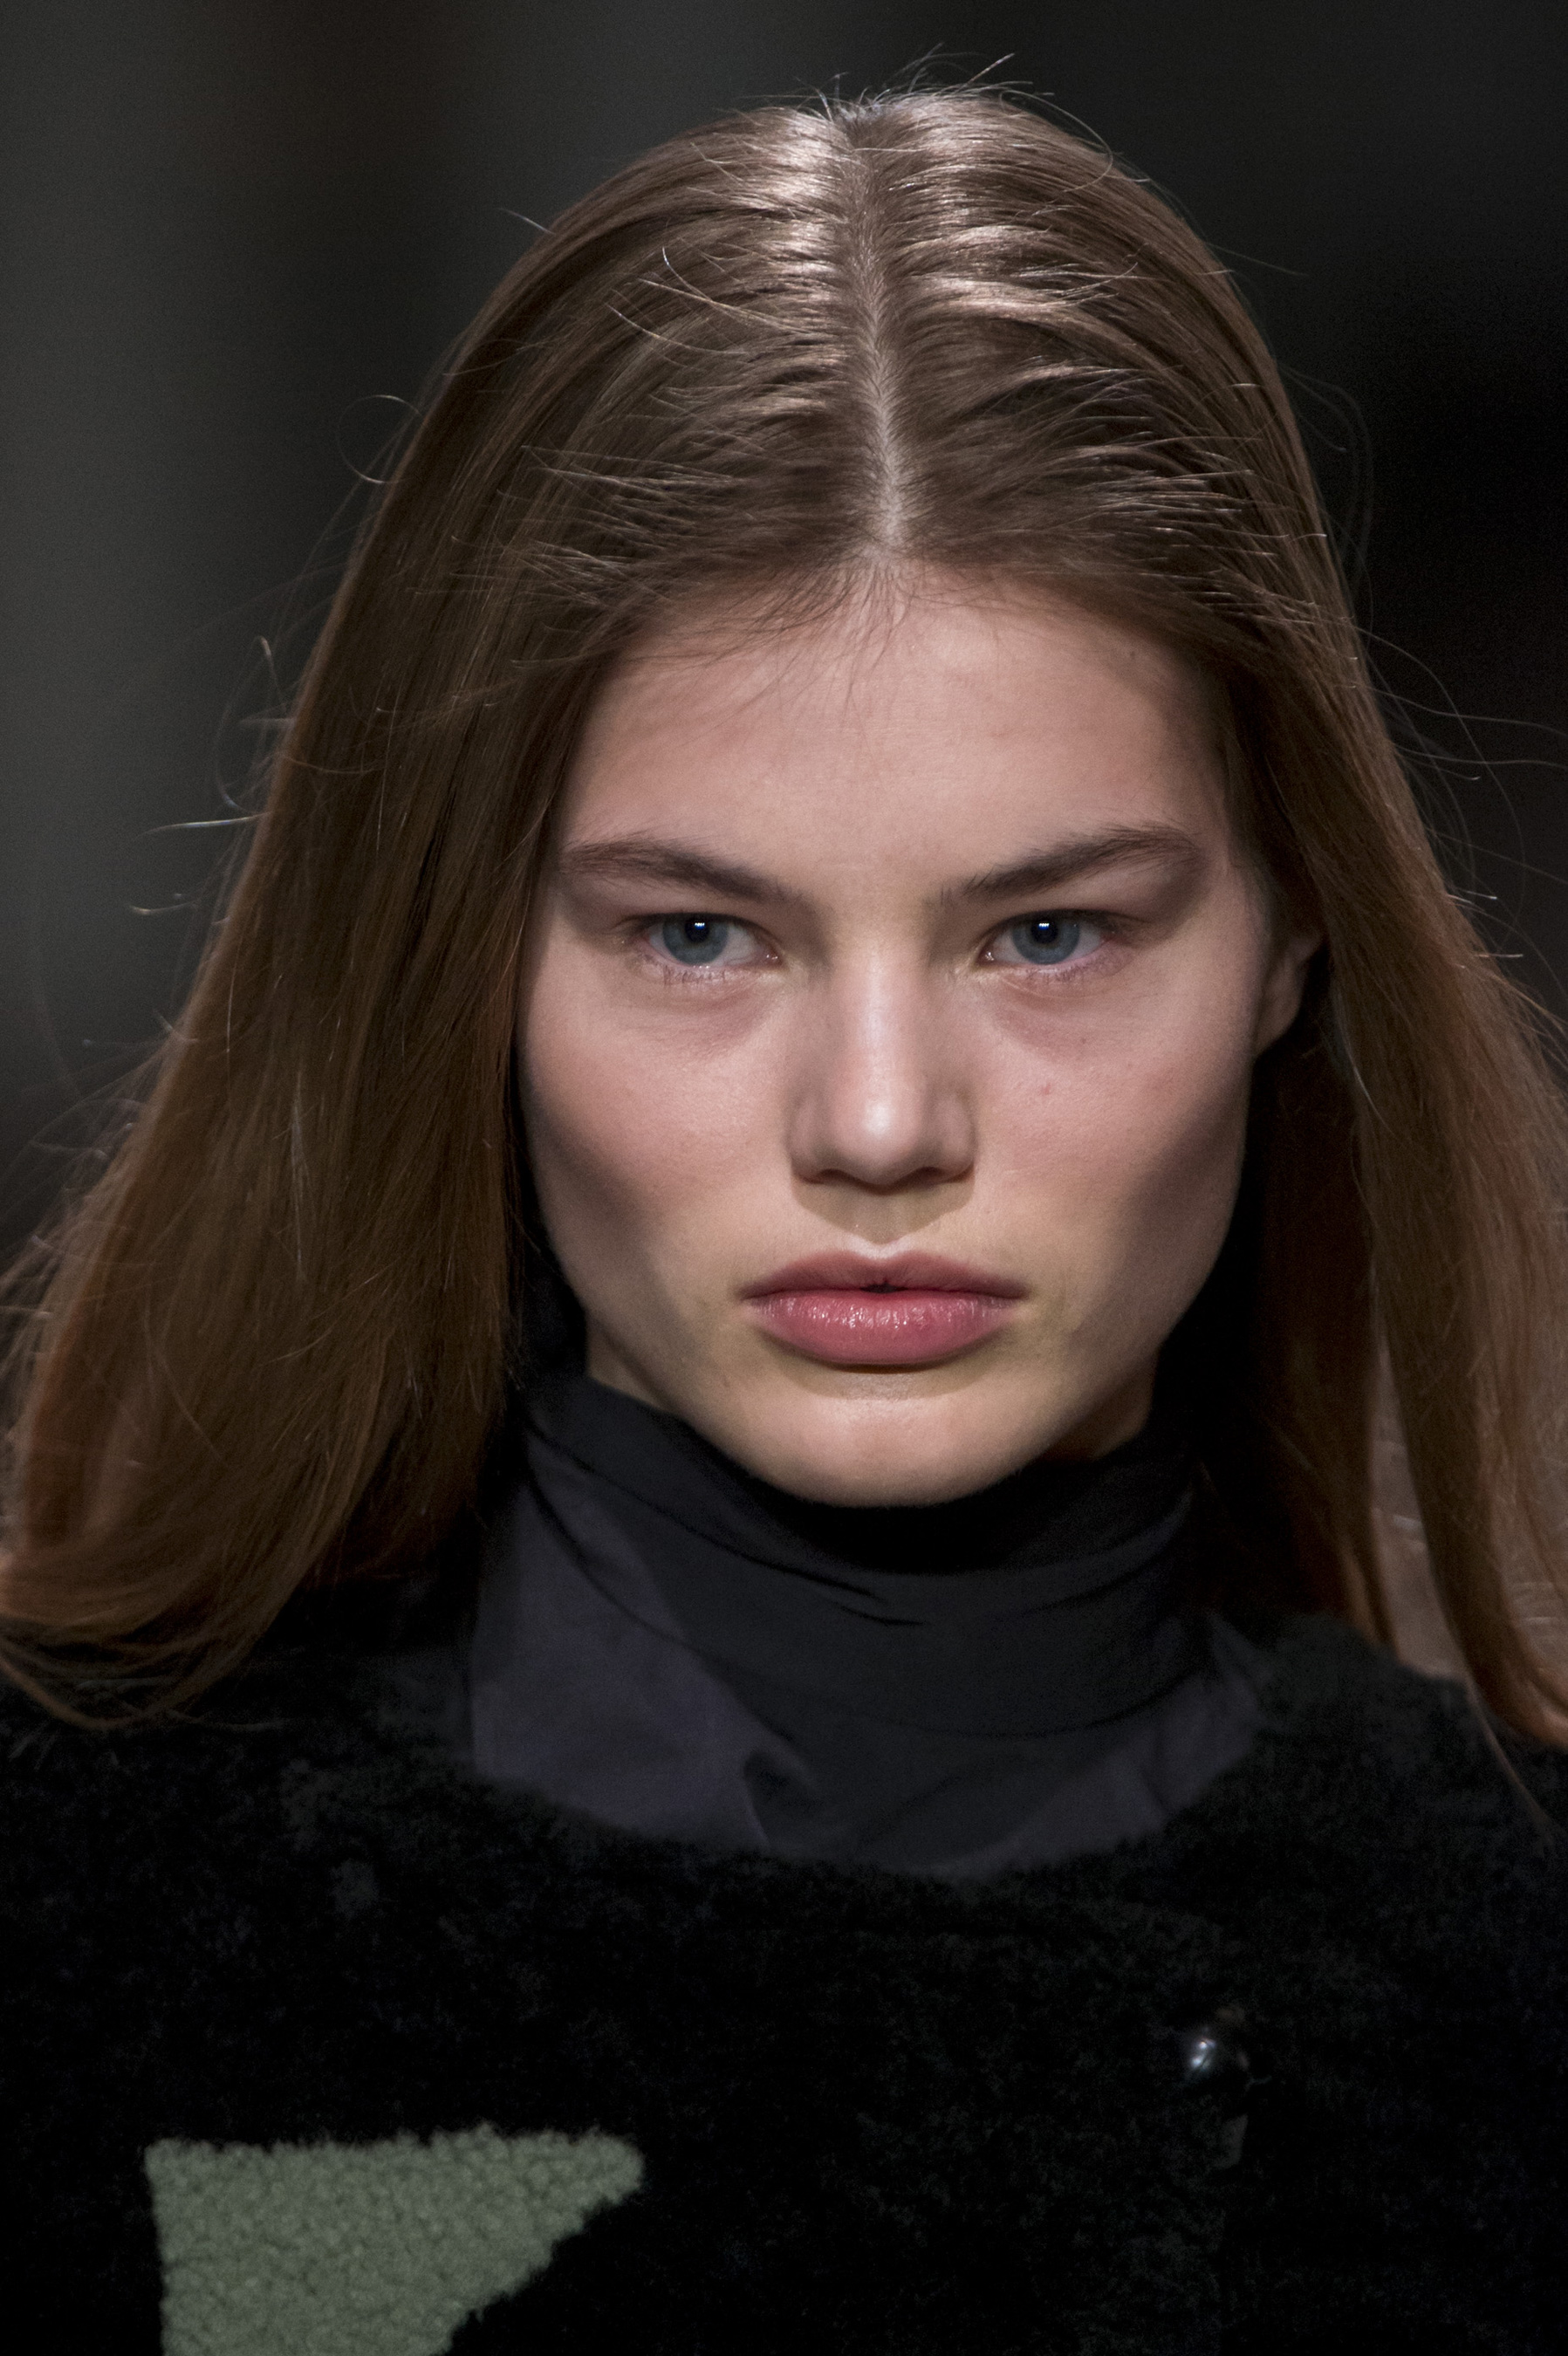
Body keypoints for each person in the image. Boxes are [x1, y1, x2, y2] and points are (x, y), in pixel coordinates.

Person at [3, 88, 1566, 2354]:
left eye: (1048, 934)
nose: (879, 1123)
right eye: (699, 937)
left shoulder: (1508, 2005)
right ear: (465, 958)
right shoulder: (91, 1927)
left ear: (1291, 933)